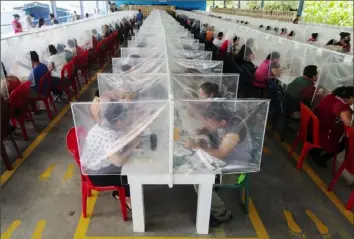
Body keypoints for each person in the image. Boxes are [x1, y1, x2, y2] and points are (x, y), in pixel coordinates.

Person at [185, 104, 251, 227]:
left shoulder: (234, 132)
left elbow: (220, 154)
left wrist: (196, 146)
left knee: (199, 181)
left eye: (211, 121)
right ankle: (212, 195)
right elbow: (213, 130)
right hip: (226, 161)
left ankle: (223, 214)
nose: (208, 123)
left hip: (236, 171)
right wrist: (204, 131)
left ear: (222, 122)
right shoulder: (227, 122)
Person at [81, 102, 139, 209]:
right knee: (132, 173)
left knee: (131, 163)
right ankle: (124, 196)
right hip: (97, 175)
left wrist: (130, 133)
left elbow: (123, 136)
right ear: (118, 121)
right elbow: (118, 161)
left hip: (99, 166)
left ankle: (122, 192)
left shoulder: (105, 124)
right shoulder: (109, 137)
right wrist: (132, 146)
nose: (127, 121)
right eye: (125, 119)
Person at [310, 86, 354, 167]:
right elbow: (349, 125)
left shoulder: (331, 96)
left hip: (311, 127)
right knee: (345, 142)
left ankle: (314, 151)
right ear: (351, 97)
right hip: (321, 134)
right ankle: (320, 158)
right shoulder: (343, 107)